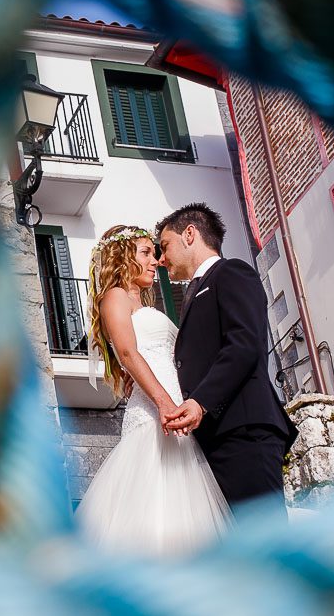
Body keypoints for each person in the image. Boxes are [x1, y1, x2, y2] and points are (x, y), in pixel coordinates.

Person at [71, 223, 232, 556]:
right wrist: (164, 403)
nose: (155, 261)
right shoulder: (114, 297)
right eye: (145, 252)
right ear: (122, 256)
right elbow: (129, 354)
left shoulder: (143, 304)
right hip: (156, 415)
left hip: (178, 413)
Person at [156, 203, 294, 509]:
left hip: (243, 432)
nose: (162, 259)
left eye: (164, 247)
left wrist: (200, 401)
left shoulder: (232, 272)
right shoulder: (194, 292)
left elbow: (244, 344)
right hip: (216, 438)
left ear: (189, 234)